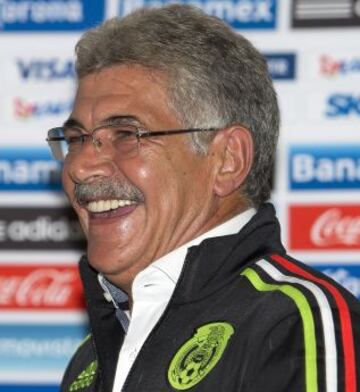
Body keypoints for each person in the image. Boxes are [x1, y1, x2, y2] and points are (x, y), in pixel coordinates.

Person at [46, 5, 360, 392]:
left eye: (127, 134)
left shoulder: (298, 324)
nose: (81, 166)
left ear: (228, 159)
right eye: (76, 139)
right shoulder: (91, 357)